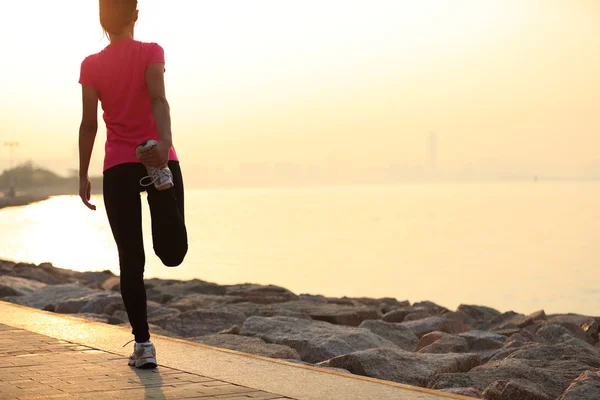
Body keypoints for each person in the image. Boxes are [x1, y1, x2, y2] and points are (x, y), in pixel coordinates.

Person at [78, 0, 188, 369]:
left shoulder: (91, 65)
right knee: (172, 254)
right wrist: (164, 145)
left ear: (102, 21)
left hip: (118, 167)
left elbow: (89, 124)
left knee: (131, 260)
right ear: (135, 15)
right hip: (159, 157)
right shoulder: (151, 52)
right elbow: (158, 98)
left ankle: (143, 347)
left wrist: (83, 174)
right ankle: (164, 185)